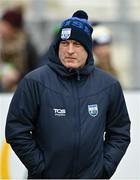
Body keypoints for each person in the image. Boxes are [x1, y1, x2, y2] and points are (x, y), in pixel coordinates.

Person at [5, 10, 131, 179]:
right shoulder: (34, 81)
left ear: (87, 48)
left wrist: (104, 168)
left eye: (77, 44)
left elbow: (120, 131)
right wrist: (40, 167)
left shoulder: (108, 85)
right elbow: (16, 129)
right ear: (57, 46)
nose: (70, 50)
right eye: (65, 43)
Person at [0, 7, 38, 92]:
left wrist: (18, 76)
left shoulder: (27, 46)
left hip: (22, 89)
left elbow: (36, 70)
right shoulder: (1, 44)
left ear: (14, 28)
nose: (1, 28)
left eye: (5, 25)